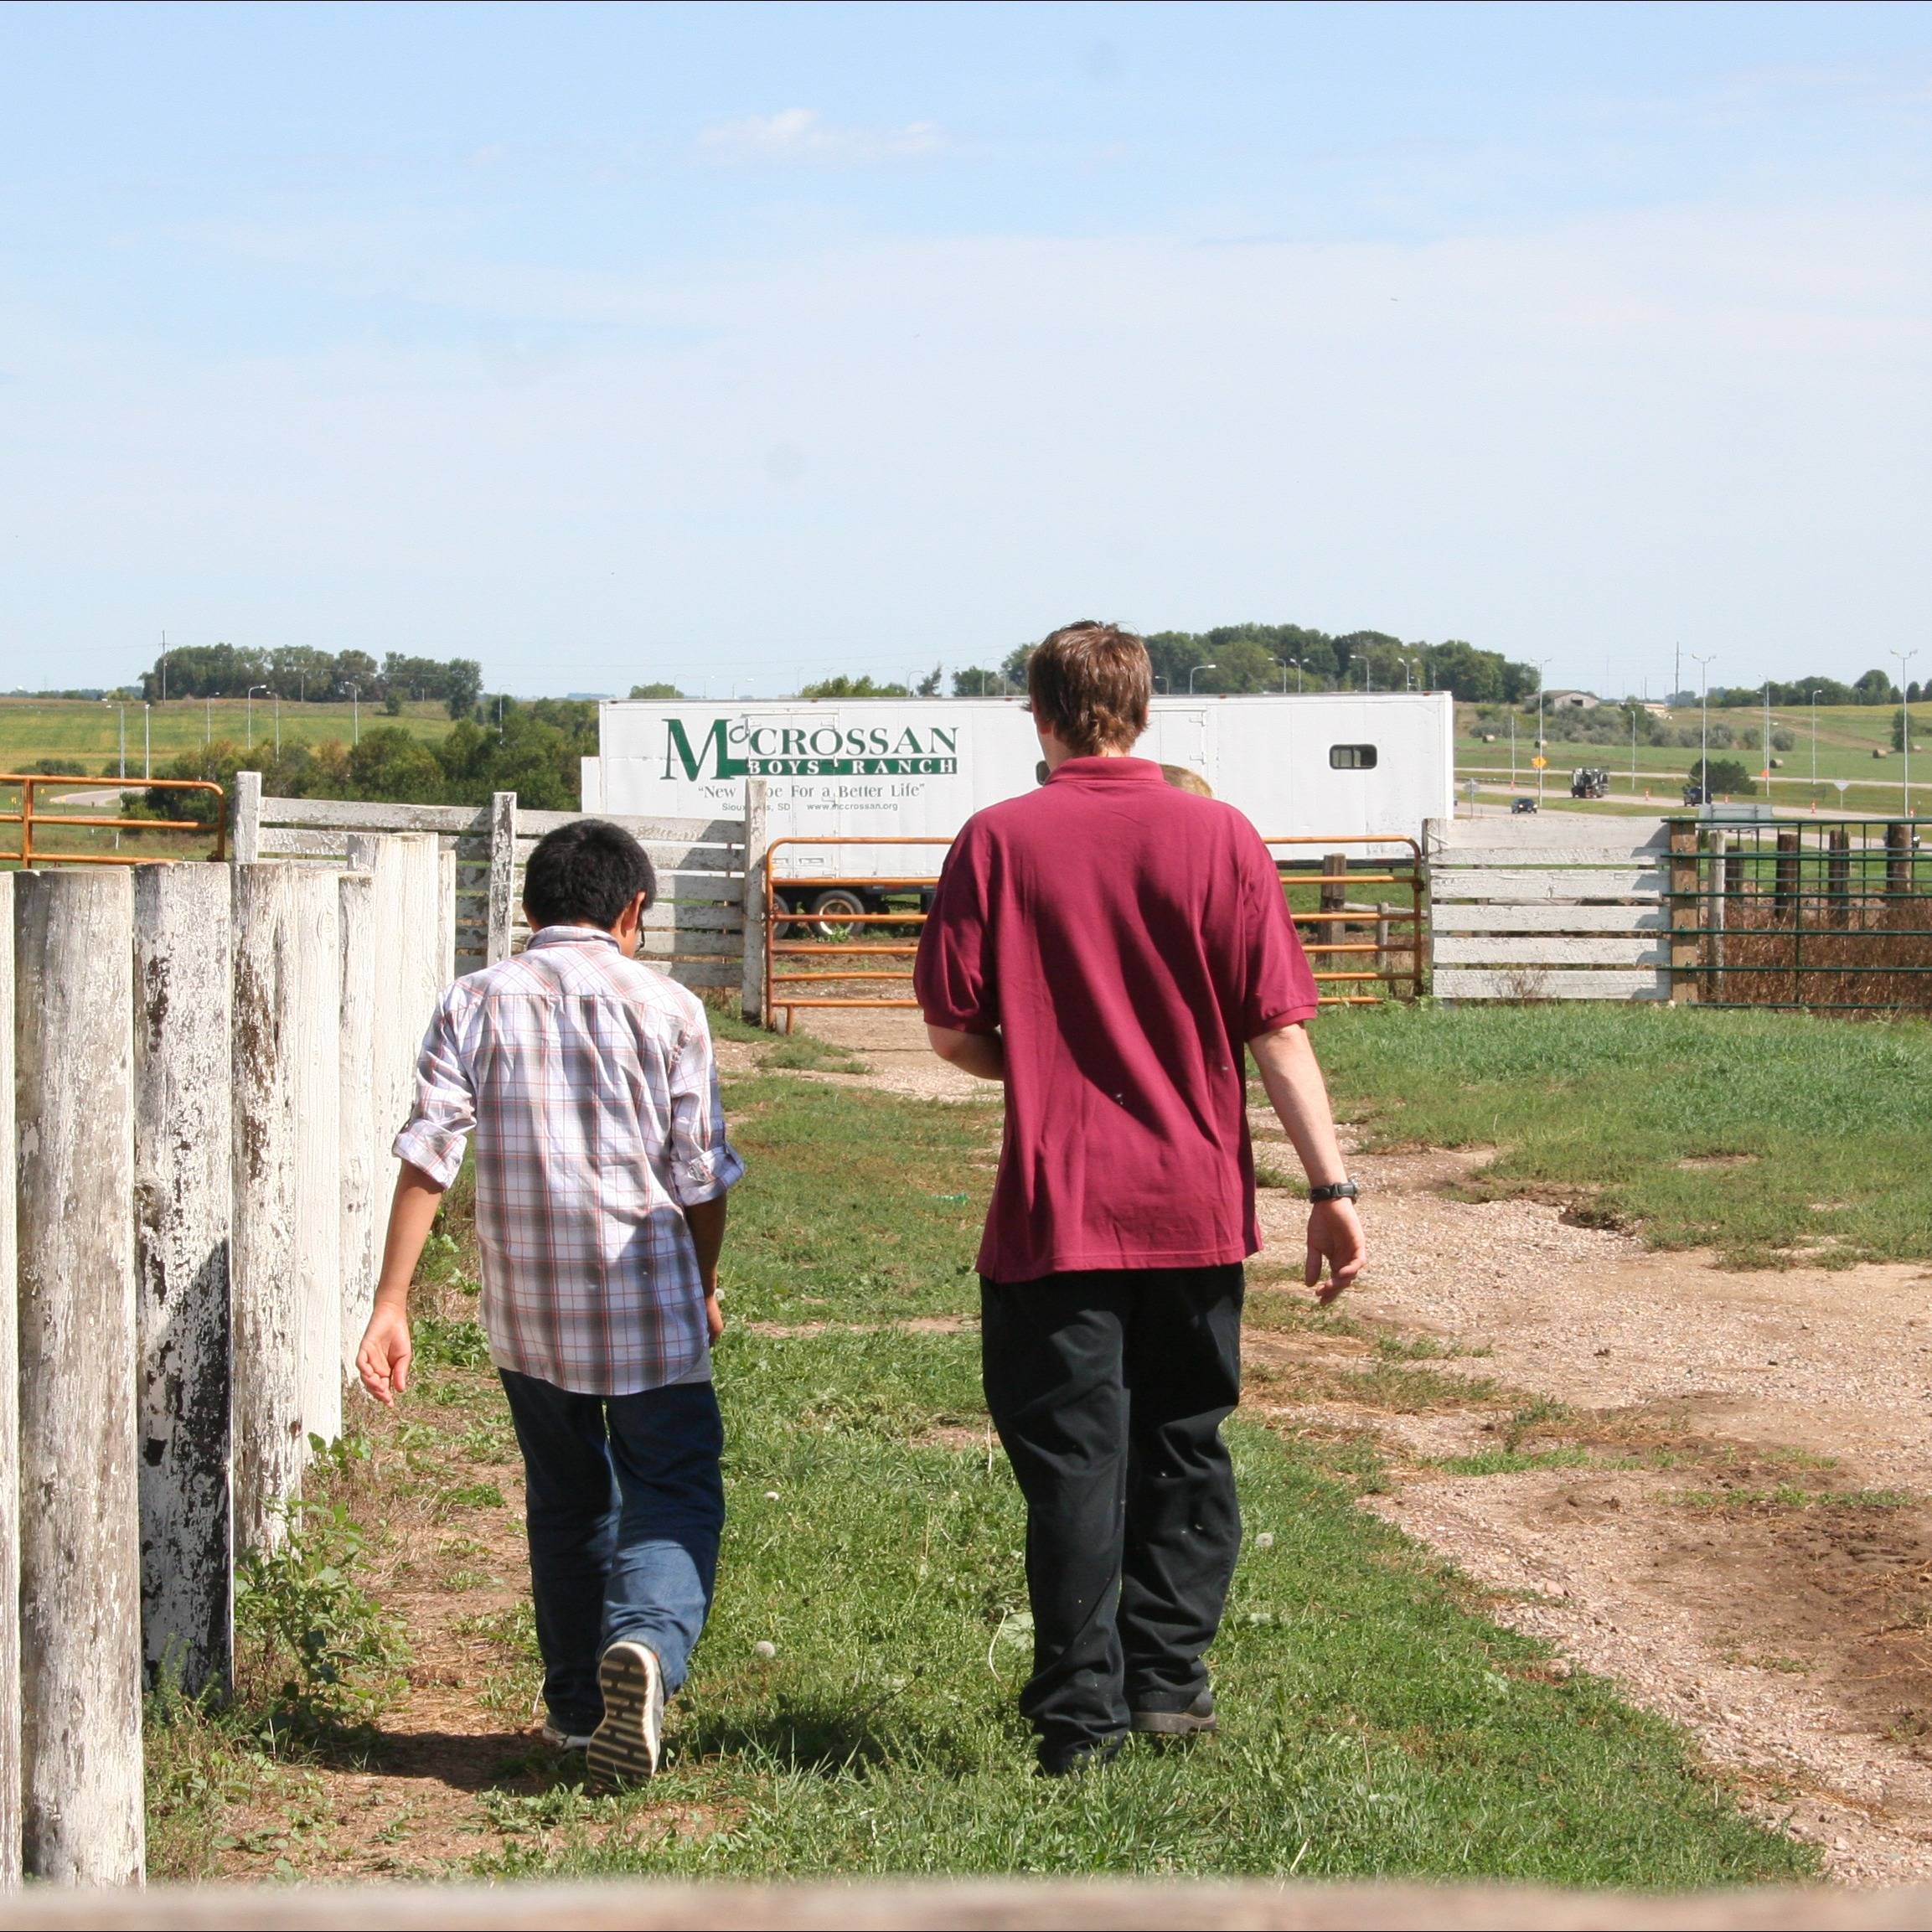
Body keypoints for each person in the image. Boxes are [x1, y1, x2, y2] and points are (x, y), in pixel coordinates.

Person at [914, 621, 1366, 1777]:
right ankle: (1168, 1682)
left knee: (1072, 1462)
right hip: (1194, 1205)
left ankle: (1080, 1717)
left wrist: (1050, 1062)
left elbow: (954, 1027)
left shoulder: (997, 839)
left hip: (1056, 1212)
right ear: (1145, 709)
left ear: (1042, 716)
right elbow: (1277, 1028)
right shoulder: (1220, 836)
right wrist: (1330, 1184)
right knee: (1182, 1442)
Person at [355, 818, 742, 1788]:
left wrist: (390, 1300)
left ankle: (576, 1710)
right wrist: (700, 1282)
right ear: (633, 911)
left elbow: (428, 1150)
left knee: (565, 1498)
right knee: (674, 1486)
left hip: (527, 1314)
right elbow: (699, 1174)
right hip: (648, 1301)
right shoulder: (669, 1008)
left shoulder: (474, 999)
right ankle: (648, 1647)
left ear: (527, 910)